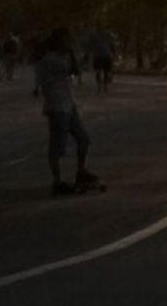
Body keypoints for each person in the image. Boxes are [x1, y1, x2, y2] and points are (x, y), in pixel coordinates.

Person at [35, 28, 98, 195]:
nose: (69, 43)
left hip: (68, 104)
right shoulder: (50, 59)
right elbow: (74, 69)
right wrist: (73, 53)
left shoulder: (58, 57)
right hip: (57, 107)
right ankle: (57, 181)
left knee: (84, 139)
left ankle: (81, 170)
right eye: (66, 41)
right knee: (57, 147)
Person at [85, 24, 117, 94]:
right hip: (103, 55)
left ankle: (101, 86)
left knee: (100, 71)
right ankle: (102, 86)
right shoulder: (107, 34)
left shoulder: (95, 35)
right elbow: (112, 44)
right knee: (103, 71)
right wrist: (114, 53)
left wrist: (87, 54)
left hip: (100, 55)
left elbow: (89, 45)